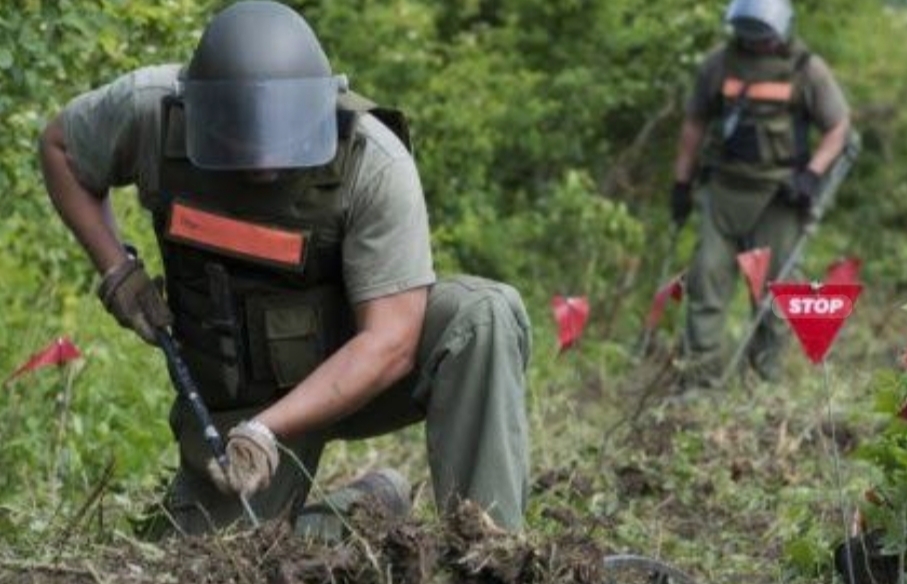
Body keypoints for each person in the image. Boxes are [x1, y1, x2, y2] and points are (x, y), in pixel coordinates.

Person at [39, 0, 531, 536]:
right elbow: (61, 147)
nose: (264, 163)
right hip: (239, 391)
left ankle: (488, 548)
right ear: (201, 110)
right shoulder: (153, 111)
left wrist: (267, 430)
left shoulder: (373, 160)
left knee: (482, 316)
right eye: (243, 138)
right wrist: (118, 271)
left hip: (355, 371)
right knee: (213, 562)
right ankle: (364, 509)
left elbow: (391, 340)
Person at [668, 0, 851, 389]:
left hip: (778, 199)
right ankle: (698, 381)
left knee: (777, 292)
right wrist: (681, 183)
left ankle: (764, 381)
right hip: (723, 192)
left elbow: (838, 127)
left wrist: (812, 174)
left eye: (763, 38)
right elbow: (694, 124)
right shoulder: (718, 64)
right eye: (748, 36)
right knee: (706, 280)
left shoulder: (807, 69)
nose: (755, 45)